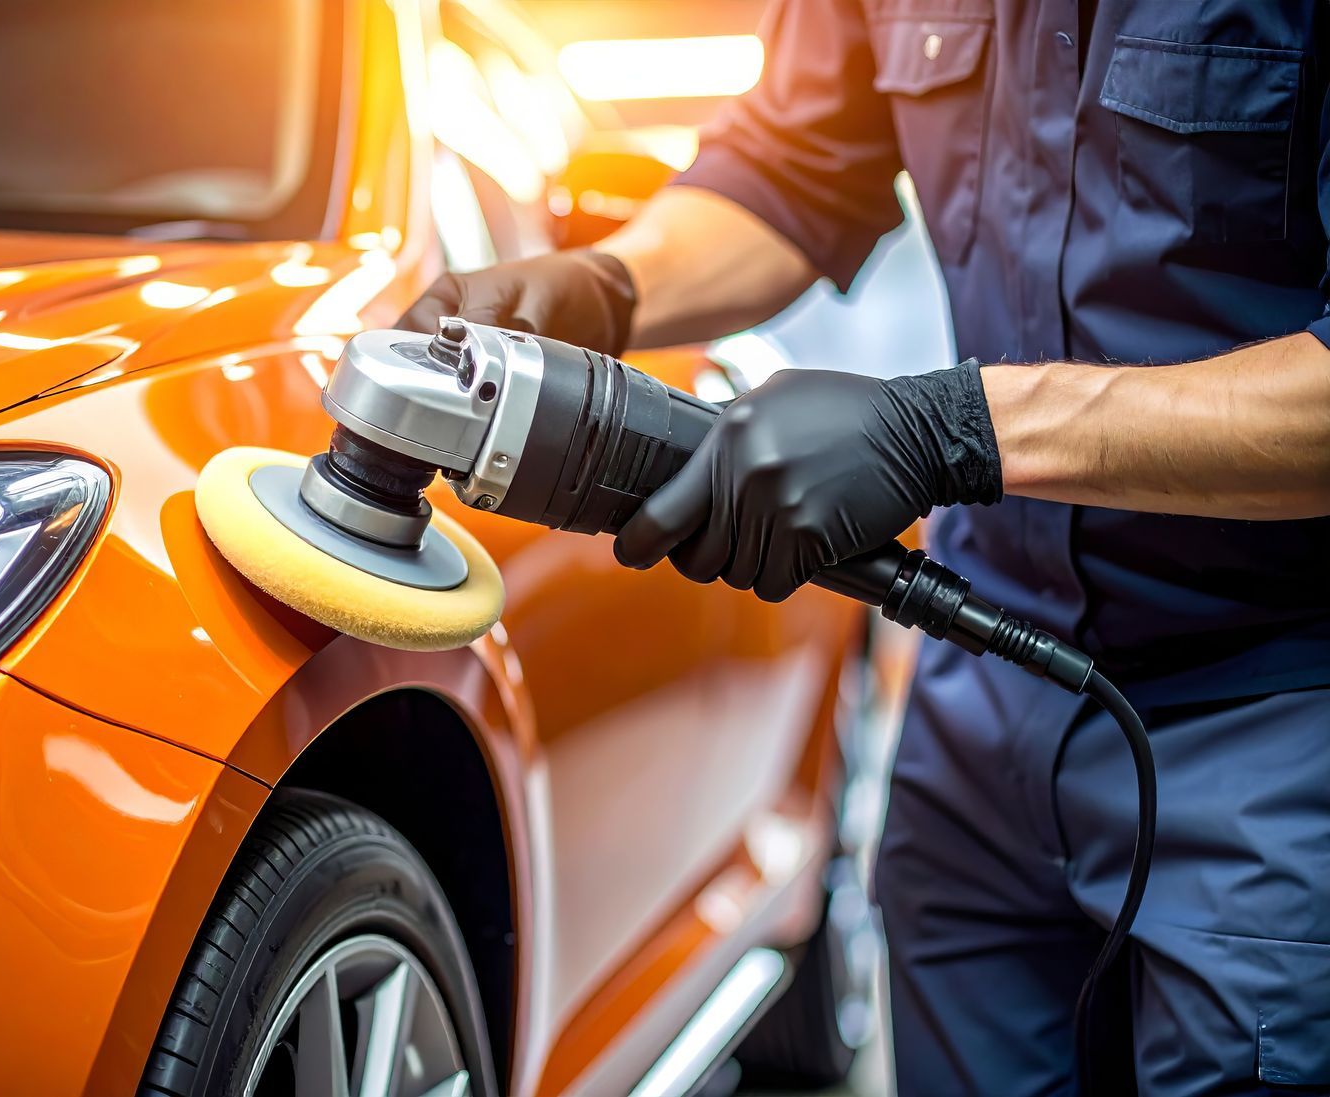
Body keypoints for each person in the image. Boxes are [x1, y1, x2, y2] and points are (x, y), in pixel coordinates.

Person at [399, 2, 1330, 1093]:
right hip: (979, 706)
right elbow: (793, 171)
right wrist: (612, 286)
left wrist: (954, 429)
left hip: (1276, 708)